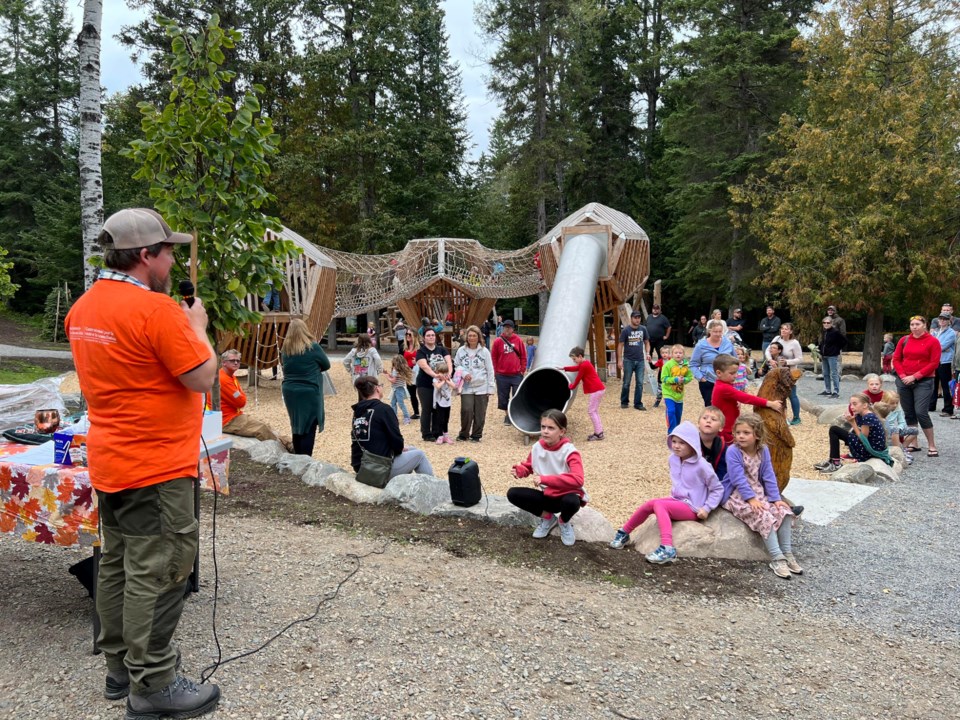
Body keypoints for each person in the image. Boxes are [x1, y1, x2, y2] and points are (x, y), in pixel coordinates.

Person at [64, 208, 220, 716]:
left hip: (111, 459)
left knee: (117, 564)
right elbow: (201, 378)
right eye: (168, 250)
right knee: (163, 568)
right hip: (156, 467)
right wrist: (197, 326)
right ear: (146, 255)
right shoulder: (158, 311)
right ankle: (152, 684)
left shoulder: (84, 309)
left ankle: (118, 669)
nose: (174, 259)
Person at [609, 421, 722, 563]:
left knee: (660, 506)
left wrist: (706, 508)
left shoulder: (702, 466)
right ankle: (624, 532)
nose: (676, 445)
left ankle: (667, 548)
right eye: (674, 441)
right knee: (650, 504)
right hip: (677, 500)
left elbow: (717, 489)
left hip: (693, 507)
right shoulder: (673, 459)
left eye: (682, 443)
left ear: (692, 444)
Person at [722, 415, 801, 579]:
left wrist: (776, 498)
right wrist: (751, 499)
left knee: (784, 512)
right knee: (763, 516)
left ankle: (787, 552)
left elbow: (768, 475)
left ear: (757, 435)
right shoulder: (733, 451)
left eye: (746, 432)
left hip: (758, 492)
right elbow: (738, 479)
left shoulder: (763, 450)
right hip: (738, 494)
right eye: (738, 432)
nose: (741, 436)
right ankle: (777, 557)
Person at [506, 410, 586, 547]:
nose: (545, 431)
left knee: (572, 501)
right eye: (543, 427)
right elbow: (530, 466)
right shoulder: (537, 447)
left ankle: (564, 521)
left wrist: (545, 479)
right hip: (548, 496)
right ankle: (548, 518)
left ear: (562, 431)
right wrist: (520, 471)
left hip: (565, 496)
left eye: (551, 428)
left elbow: (578, 479)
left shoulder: (570, 451)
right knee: (513, 494)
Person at [350, 375, 434, 479]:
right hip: (378, 469)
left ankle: (402, 485)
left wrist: (398, 449)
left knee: (412, 449)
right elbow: (397, 441)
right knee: (420, 455)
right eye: (381, 385)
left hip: (361, 466)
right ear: (377, 388)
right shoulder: (384, 409)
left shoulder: (358, 411)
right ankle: (432, 488)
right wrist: (398, 449)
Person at [215, 349, 289, 448]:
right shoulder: (224, 379)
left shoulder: (229, 376)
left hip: (233, 415)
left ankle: (289, 443)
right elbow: (241, 402)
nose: (236, 363)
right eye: (232, 360)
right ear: (224, 363)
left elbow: (240, 396)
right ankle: (284, 448)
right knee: (262, 428)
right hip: (227, 420)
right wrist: (241, 395)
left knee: (266, 425)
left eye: (238, 360)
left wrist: (240, 395)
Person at [281, 318, 332, 456]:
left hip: (290, 391)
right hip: (309, 390)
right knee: (309, 426)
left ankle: (297, 456)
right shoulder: (312, 347)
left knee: (296, 424)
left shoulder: (286, 349)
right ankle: (305, 458)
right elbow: (326, 364)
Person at [892, 315, 941, 456]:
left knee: (921, 412)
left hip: (923, 380)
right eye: (912, 324)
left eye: (917, 324)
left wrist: (915, 376)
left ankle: (932, 445)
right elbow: (896, 359)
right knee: (909, 413)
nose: (914, 327)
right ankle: (914, 443)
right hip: (903, 380)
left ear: (924, 325)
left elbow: (934, 363)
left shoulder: (933, 341)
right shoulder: (904, 340)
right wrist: (902, 376)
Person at [710, 354, 783, 444]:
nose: (736, 376)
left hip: (727, 427)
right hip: (726, 429)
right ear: (719, 373)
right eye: (732, 373)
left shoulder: (722, 384)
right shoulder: (724, 388)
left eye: (736, 372)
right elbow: (746, 398)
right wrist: (769, 403)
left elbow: (733, 397)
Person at [814, 393, 893, 473]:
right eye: (850, 404)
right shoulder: (862, 414)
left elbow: (863, 439)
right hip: (870, 446)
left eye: (855, 404)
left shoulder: (868, 417)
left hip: (871, 451)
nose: (851, 407)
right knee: (837, 430)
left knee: (834, 430)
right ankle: (833, 461)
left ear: (865, 405)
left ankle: (835, 463)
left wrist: (853, 423)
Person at [453, 325, 495, 442]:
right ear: (467, 337)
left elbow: (490, 370)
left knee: (480, 412)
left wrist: (490, 388)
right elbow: (456, 365)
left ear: (478, 337)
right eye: (470, 335)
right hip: (467, 386)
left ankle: (476, 435)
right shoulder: (461, 351)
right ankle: (464, 433)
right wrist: (463, 373)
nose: (472, 338)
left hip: (481, 385)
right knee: (466, 410)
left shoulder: (484, 351)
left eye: (474, 336)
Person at [415, 327, 452, 441]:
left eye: (432, 335)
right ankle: (426, 433)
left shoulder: (442, 349)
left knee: (439, 408)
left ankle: (437, 431)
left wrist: (449, 373)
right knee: (427, 408)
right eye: (428, 335)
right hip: (425, 384)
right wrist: (435, 375)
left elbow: (449, 361)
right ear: (424, 338)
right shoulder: (421, 352)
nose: (431, 337)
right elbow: (424, 366)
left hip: (441, 384)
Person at [563, 346, 606, 441]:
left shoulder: (584, 365)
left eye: (574, 359)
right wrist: (564, 368)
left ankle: (599, 433)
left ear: (580, 356)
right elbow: (576, 368)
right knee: (594, 411)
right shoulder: (585, 363)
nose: (574, 361)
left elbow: (578, 377)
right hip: (599, 389)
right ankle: (599, 432)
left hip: (596, 390)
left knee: (591, 411)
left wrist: (571, 386)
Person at [690, 319, 736, 406]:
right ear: (710, 331)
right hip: (708, 381)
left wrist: (735, 376)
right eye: (715, 332)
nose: (718, 334)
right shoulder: (701, 345)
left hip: (725, 380)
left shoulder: (728, 343)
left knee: (726, 407)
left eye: (720, 331)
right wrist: (701, 377)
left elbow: (735, 361)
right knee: (711, 407)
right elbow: (693, 364)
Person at [765, 323, 803, 425]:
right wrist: (770, 360)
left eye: (786, 329)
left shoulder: (794, 343)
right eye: (782, 328)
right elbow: (768, 351)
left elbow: (800, 358)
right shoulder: (777, 339)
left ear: (790, 331)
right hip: (776, 371)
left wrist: (787, 362)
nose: (783, 330)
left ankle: (796, 417)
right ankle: (779, 415)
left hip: (789, 373)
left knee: (792, 394)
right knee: (776, 393)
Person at [491, 319, 527, 425]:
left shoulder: (518, 340)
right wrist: (495, 371)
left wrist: (522, 370)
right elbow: (494, 357)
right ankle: (507, 415)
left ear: (513, 329)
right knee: (503, 397)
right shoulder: (498, 341)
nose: (507, 329)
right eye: (505, 327)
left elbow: (523, 356)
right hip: (502, 374)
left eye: (509, 327)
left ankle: (515, 414)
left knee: (517, 395)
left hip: (516, 374)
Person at [618, 310, 650, 410]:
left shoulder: (643, 329)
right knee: (626, 382)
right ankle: (624, 401)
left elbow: (647, 342)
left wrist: (648, 353)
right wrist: (619, 359)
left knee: (640, 383)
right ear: (631, 318)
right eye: (635, 317)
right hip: (628, 360)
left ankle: (638, 403)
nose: (637, 319)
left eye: (639, 317)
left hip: (640, 360)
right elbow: (620, 345)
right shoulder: (626, 330)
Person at [874, 390, 918, 458]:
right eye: (892, 403)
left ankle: (902, 448)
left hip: (895, 429)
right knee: (894, 429)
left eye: (896, 403)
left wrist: (899, 428)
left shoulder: (898, 408)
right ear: (884, 401)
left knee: (915, 430)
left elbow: (902, 422)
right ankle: (897, 453)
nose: (895, 405)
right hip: (884, 430)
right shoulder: (880, 408)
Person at [660, 344, 693, 433]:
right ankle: (671, 431)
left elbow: (690, 377)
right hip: (668, 393)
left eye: (680, 353)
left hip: (679, 394)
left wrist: (684, 380)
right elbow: (663, 378)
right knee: (671, 411)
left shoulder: (685, 365)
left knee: (678, 413)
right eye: (676, 353)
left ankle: (677, 430)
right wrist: (675, 379)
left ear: (683, 354)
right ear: (671, 354)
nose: (678, 355)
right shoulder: (668, 365)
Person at [929, 314, 956, 417]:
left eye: (945, 319)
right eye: (941, 318)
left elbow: (941, 346)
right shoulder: (935, 331)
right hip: (935, 361)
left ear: (949, 321)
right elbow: (930, 345)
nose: (942, 320)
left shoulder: (951, 333)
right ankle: (931, 405)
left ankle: (948, 409)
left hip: (945, 362)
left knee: (946, 386)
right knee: (933, 385)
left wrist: (935, 347)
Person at [818, 316, 847, 398]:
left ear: (831, 323)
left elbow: (844, 341)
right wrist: (819, 349)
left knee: (834, 373)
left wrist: (836, 349)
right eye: (824, 323)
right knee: (826, 373)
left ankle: (836, 391)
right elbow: (823, 343)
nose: (826, 324)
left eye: (828, 323)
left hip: (832, 355)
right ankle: (828, 390)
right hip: (824, 355)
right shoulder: (824, 332)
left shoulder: (835, 332)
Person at [698, 406, 728, 482]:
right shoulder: (691, 443)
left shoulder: (722, 446)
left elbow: (722, 471)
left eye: (713, 419)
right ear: (698, 424)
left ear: (721, 427)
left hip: (715, 483)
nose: (708, 421)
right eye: (705, 418)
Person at [431, 359, 456, 444]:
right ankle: (440, 435)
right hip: (439, 403)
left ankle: (446, 435)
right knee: (439, 419)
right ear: (437, 372)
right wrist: (444, 381)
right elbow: (437, 386)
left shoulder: (448, 379)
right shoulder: (435, 379)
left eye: (445, 373)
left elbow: (454, 386)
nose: (444, 374)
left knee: (446, 419)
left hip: (447, 403)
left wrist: (448, 381)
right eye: (442, 373)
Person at [383, 354, 413, 424]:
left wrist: (386, 376)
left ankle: (407, 417)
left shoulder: (396, 370)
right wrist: (387, 373)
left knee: (400, 403)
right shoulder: (397, 370)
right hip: (396, 388)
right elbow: (394, 377)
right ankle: (394, 417)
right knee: (393, 403)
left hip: (398, 389)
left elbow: (393, 380)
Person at [402, 333, 421, 420]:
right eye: (406, 334)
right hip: (408, 372)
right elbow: (401, 359)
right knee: (412, 393)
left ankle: (427, 411)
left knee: (422, 393)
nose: (408, 336)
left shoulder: (420, 347)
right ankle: (416, 412)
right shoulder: (404, 347)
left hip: (418, 372)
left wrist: (417, 361)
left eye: (410, 334)